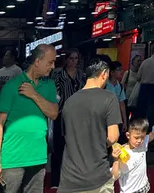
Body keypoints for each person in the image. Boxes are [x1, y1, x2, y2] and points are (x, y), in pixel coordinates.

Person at [0, 44, 58, 193]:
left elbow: (53, 113)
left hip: (38, 158)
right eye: (50, 62)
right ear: (38, 62)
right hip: (12, 158)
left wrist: (34, 94)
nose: (53, 66)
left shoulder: (49, 85)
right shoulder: (12, 86)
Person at [58, 56, 122, 193]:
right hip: (97, 176)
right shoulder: (109, 97)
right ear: (104, 74)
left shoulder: (69, 102)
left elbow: (67, 137)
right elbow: (113, 137)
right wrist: (99, 143)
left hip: (69, 177)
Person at [52, 50, 85, 188]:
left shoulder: (82, 75)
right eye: (71, 58)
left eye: (76, 58)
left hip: (79, 115)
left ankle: (75, 177)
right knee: (59, 147)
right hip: (62, 114)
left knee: (77, 147)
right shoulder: (58, 74)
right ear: (66, 59)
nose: (73, 61)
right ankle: (55, 180)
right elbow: (55, 94)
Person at [112, 116, 154, 193]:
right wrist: (115, 160)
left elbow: (153, 134)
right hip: (129, 191)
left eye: (142, 137)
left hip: (144, 186)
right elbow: (115, 176)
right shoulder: (121, 152)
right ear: (128, 135)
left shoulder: (143, 144)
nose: (139, 141)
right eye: (136, 138)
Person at [106, 60, 127, 132]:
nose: (121, 72)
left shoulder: (120, 86)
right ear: (112, 72)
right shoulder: (105, 85)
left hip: (115, 118)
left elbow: (122, 104)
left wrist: (125, 121)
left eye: (121, 69)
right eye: (119, 70)